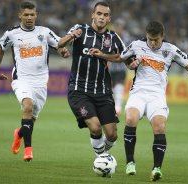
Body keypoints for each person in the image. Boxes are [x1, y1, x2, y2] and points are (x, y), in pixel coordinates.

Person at [120, 21, 188, 181]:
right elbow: (122, 58)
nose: (152, 43)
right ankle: (130, 162)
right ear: (146, 36)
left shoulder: (171, 50)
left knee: (159, 127)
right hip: (138, 92)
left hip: (157, 95)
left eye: (156, 40)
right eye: (150, 39)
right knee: (131, 119)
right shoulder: (136, 45)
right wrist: (130, 64)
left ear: (162, 36)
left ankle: (156, 169)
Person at [0, 1, 69, 162]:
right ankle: (28, 150)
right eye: (26, 14)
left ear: (36, 15)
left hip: (41, 82)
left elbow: (60, 44)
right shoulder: (11, 34)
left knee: (31, 120)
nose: (29, 17)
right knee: (27, 106)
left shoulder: (45, 32)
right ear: (20, 15)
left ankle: (19, 133)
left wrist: (63, 51)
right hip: (22, 79)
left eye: (32, 14)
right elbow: (0, 50)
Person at [58, 1, 125, 158]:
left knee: (112, 134)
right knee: (95, 127)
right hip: (79, 91)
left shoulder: (113, 37)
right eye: (99, 14)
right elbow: (60, 44)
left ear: (109, 18)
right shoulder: (80, 30)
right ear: (93, 15)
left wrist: (103, 55)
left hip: (102, 92)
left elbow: (122, 57)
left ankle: (102, 154)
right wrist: (70, 37)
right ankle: (101, 160)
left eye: (105, 15)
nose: (102, 17)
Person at [108, 18, 132, 116]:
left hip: (121, 68)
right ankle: (113, 107)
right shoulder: (109, 37)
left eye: (120, 26)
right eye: (117, 26)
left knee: (119, 86)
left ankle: (117, 108)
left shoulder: (127, 38)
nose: (118, 28)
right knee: (111, 89)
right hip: (110, 68)